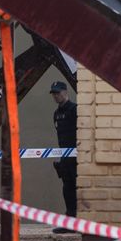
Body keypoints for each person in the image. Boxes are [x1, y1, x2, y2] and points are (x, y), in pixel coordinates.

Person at [50, 81, 77, 227]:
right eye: (54, 93)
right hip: (65, 158)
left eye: (58, 92)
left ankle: (78, 221)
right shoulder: (57, 113)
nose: (56, 96)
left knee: (76, 187)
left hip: (76, 158)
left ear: (65, 92)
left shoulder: (74, 110)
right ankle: (70, 219)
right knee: (67, 189)